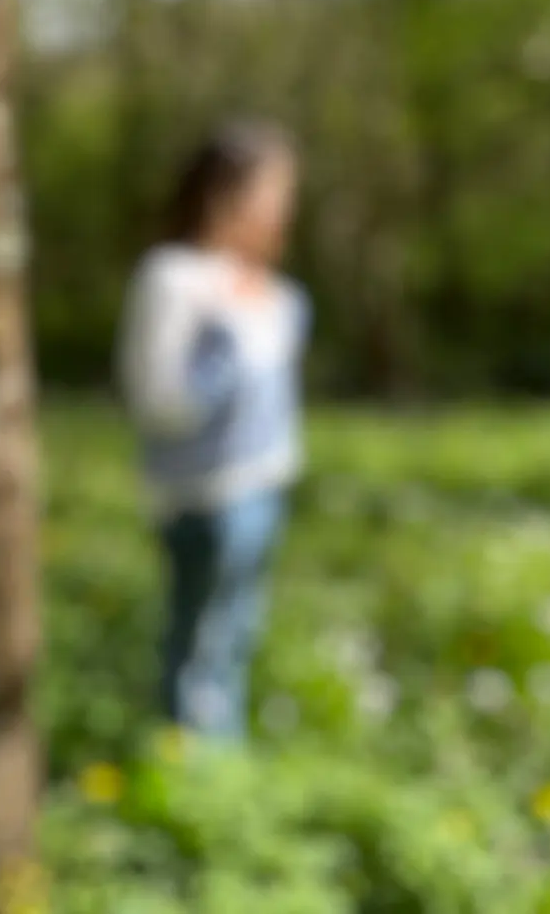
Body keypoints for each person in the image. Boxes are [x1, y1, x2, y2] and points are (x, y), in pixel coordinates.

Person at [116, 119, 310, 741]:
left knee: (236, 642)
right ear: (227, 194)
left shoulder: (273, 291)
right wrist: (229, 348)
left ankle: (221, 776)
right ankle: (190, 784)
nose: (285, 209)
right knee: (198, 647)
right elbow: (158, 401)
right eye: (274, 192)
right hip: (202, 500)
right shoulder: (171, 277)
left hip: (265, 491)